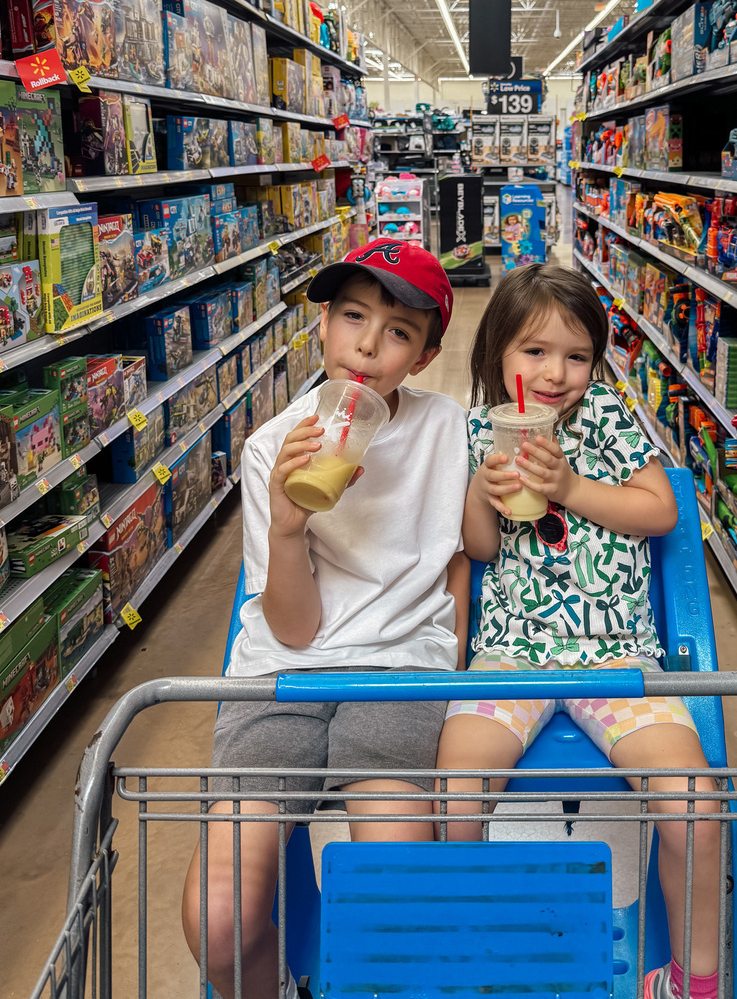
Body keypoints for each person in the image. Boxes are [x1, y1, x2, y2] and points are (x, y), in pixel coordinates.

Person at [181, 239, 471, 999]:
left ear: (426, 353)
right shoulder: (271, 447)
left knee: (394, 898)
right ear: (322, 324)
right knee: (218, 918)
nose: (368, 344)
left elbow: (463, 555)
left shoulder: (450, 430)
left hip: (400, 673)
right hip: (282, 674)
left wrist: (454, 648)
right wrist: (284, 526)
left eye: (399, 331)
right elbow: (296, 629)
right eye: (352, 315)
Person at [436, 263, 721, 999]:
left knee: (697, 805)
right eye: (534, 351)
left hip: (617, 659)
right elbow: (480, 550)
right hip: (510, 656)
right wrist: (479, 491)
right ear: (497, 353)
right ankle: (471, 957)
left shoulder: (608, 421)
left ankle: (691, 978)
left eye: (576, 354)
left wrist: (568, 487)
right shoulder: (478, 431)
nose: (556, 372)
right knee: (456, 795)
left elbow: (660, 510)